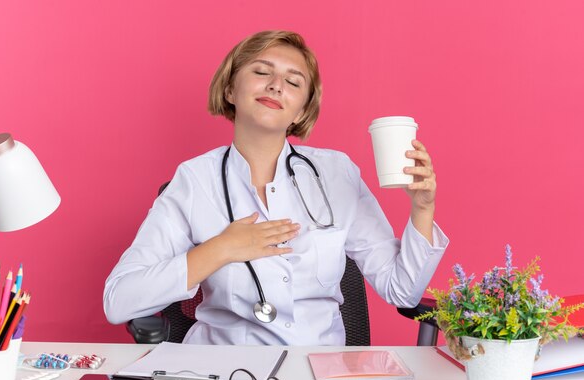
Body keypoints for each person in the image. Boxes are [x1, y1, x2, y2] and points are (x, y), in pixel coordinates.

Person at [103, 30, 448, 345]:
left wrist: (422, 208)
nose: (276, 85)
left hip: (319, 375)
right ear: (230, 89)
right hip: (223, 373)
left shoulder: (336, 173)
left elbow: (402, 290)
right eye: (261, 72)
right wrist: (221, 248)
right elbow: (119, 300)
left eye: (293, 82)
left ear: (301, 111)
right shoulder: (194, 180)